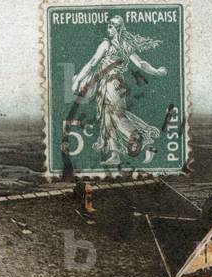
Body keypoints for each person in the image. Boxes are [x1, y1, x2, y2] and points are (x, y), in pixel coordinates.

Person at [71, 15, 168, 165]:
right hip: (112, 83)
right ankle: (115, 154)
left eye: (110, 27)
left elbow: (92, 63)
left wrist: (77, 80)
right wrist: (156, 71)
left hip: (111, 83)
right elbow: (141, 64)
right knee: (107, 118)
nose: (107, 29)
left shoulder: (106, 43)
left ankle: (145, 142)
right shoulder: (125, 45)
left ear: (117, 28)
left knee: (117, 117)